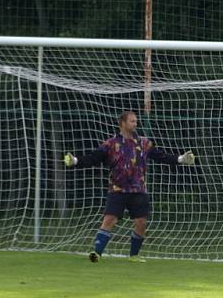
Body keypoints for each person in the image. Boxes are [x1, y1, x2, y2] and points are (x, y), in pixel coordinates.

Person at [63, 110, 196, 263]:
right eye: (132, 121)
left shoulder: (144, 143)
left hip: (138, 189)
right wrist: (76, 161)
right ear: (123, 123)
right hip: (117, 189)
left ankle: (134, 255)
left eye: (136, 121)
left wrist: (180, 159)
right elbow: (93, 158)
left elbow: (161, 156)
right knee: (109, 220)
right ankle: (96, 253)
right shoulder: (111, 144)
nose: (135, 123)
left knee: (141, 222)